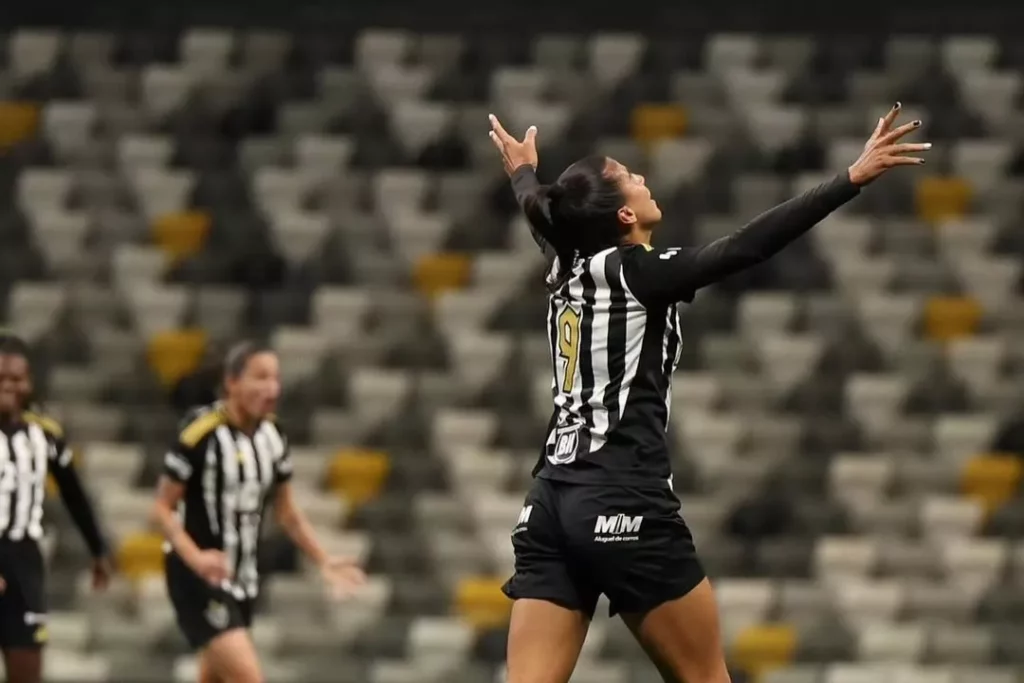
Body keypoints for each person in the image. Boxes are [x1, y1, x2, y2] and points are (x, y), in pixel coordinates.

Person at [488, 103, 930, 683]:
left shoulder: (565, 264)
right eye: (630, 175)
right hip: (622, 497)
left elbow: (537, 209)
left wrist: (524, 173)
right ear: (624, 213)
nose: (642, 178)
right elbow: (745, 247)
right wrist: (850, 179)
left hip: (549, 504)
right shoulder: (639, 273)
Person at [151, 341, 366, 683]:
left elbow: (287, 512)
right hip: (196, 577)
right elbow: (161, 508)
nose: (272, 388)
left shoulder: (274, 436)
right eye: (261, 377)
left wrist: (324, 559)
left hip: (243, 578)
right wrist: (197, 558)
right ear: (232, 382)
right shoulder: (200, 434)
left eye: (276, 379)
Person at [0, 334, 112, 683]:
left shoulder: (44, 432)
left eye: (17, 378)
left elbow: (74, 493)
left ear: (30, 382)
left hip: (24, 562)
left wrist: (98, 550)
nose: (9, 386)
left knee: (27, 666)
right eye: (0, 377)